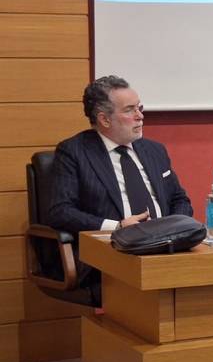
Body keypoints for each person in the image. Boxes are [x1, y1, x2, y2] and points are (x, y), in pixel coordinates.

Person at [48, 75, 193, 305]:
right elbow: (60, 211)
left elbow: (179, 198)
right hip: (113, 254)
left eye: (140, 107)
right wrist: (117, 227)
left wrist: (177, 227)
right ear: (104, 119)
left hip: (167, 247)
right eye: (129, 110)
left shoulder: (154, 150)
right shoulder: (74, 152)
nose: (140, 116)